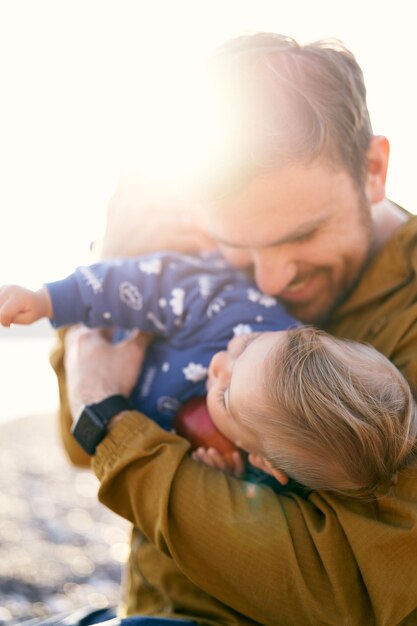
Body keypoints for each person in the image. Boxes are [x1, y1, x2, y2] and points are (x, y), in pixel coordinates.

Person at [39, 32, 417, 624]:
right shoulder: (191, 264)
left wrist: (106, 415)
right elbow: (79, 447)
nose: (269, 279)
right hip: (139, 608)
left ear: (372, 169)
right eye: (240, 245)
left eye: (302, 235)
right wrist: (115, 272)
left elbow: (352, 587)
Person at [2, 256, 416, 497]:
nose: (222, 362)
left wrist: (231, 481)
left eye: (227, 393)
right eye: (249, 345)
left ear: (264, 462)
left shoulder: (269, 465)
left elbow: (249, 508)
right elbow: (151, 282)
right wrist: (51, 299)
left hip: (106, 402)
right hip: (114, 309)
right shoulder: (236, 315)